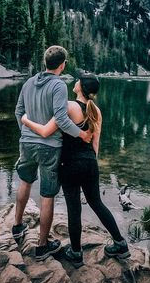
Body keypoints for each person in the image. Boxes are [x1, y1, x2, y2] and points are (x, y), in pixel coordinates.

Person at [21, 73, 130, 267]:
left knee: (74, 208)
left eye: (78, 80)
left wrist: (26, 120)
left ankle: (76, 253)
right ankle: (120, 244)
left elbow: (46, 131)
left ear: (80, 87)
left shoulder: (69, 106)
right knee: (97, 203)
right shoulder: (96, 110)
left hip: (69, 165)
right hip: (90, 163)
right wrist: (90, 164)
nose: (76, 82)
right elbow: (95, 144)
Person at [13, 46, 93, 261]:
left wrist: (27, 133)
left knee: (25, 182)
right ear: (62, 65)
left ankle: (17, 227)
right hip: (49, 147)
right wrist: (82, 135)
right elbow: (62, 119)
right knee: (47, 195)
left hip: (27, 143)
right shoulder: (58, 85)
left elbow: (19, 112)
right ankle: (42, 245)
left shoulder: (29, 82)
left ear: (44, 62)